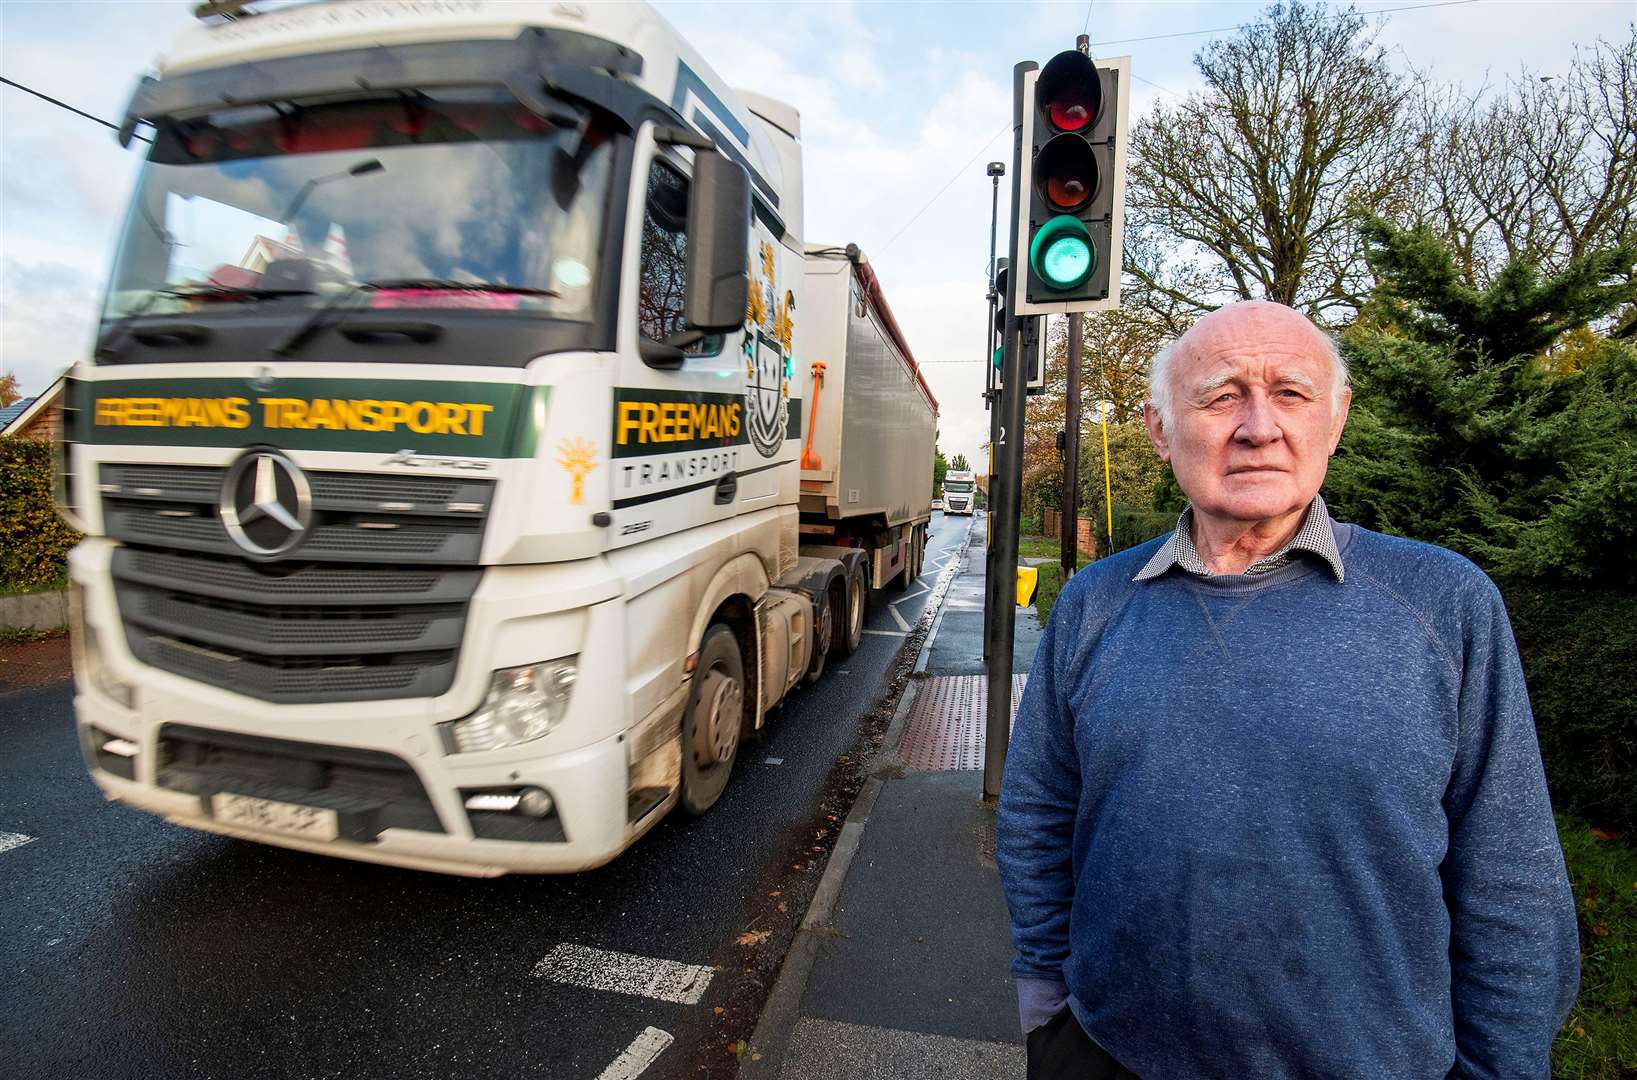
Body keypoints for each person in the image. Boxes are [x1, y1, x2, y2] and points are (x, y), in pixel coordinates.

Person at [996, 300, 1579, 1079]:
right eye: (1220, 395)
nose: (1258, 426)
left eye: (1292, 394)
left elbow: (1509, 873)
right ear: (1160, 429)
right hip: (1112, 1054)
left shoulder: (1443, 602)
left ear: (1333, 422)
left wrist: (1502, 1066)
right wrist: (1048, 1013)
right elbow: (1038, 813)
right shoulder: (1096, 602)